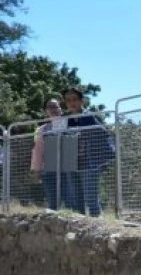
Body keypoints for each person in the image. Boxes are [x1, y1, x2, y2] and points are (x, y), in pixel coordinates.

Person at [62, 87, 114, 217]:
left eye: (74, 99)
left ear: (81, 101)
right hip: (72, 162)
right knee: (76, 198)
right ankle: (79, 225)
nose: (71, 103)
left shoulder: (88, 117)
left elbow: (102, 134)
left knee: (91, 197)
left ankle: (97, 224)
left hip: (90, 162)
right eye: (68, 100)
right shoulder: (67, 120)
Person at [30, 98, 77, 211]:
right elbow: (37, 151)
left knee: (70, 199)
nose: (53, 109)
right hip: (49, 169)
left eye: (55, 106)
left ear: (61, 109)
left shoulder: (70, 124)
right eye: (50, 107)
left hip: (68, 168)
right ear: (46, 111)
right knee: (52, 201)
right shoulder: (41, 130)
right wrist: (37, 170)